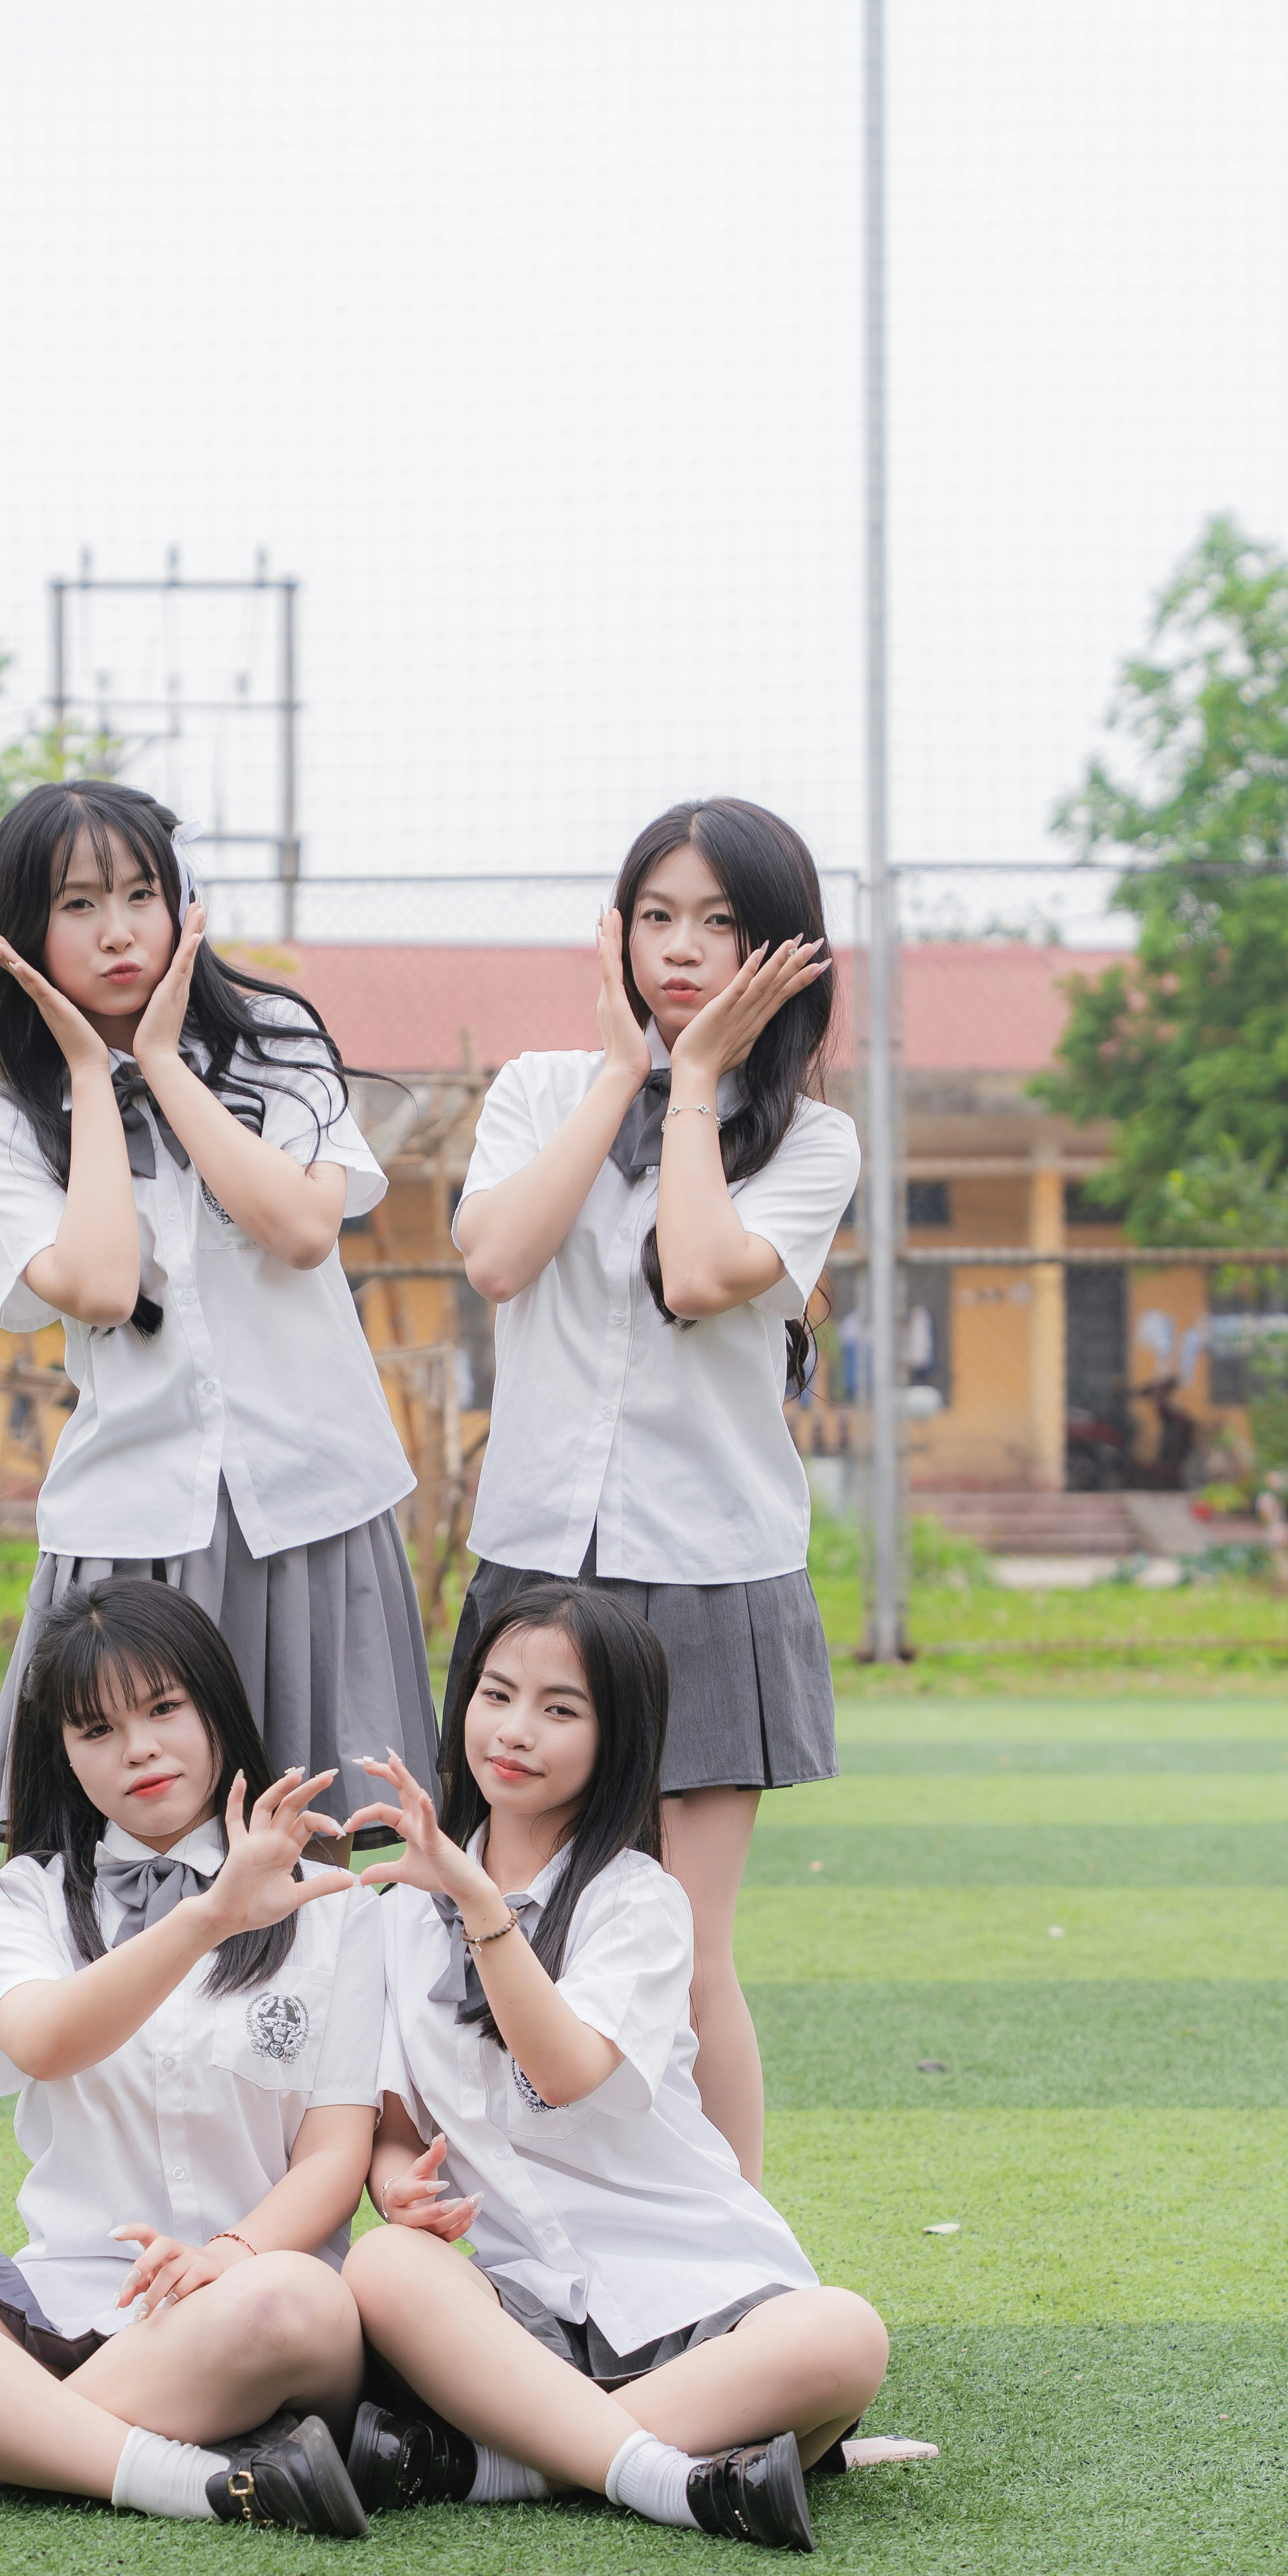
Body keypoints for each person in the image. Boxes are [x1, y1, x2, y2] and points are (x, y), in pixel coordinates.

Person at [0, 1580, 382, 2537]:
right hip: (58, 2300)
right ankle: (184, 2478)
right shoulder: (21, 1899)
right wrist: (210, 1916)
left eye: (163, 1709)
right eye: (95, 1729)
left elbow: (337, 2157)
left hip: (242, 2306)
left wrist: (226, 2257)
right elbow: (44, 2041)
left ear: (216, 1710)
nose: (136, 1748)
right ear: (60, 1754)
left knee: (299, 2301)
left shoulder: (337, 1907)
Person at [340, 1582, 933, 2552]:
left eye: (561, 1709)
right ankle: (672, 2470)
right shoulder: (396, 1911)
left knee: (842, 2337)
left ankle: (503, 2467)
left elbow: (567, 2069)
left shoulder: (641, 1904)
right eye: (496, 1694)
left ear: (617, 1740)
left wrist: (480, 1904)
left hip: (689, 2288)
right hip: (520, 2303)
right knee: (385, 2266)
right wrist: (396, 2189)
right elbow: (393, 2124)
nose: (516, 1730)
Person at [448, 796, 860, 2185]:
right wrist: (630, 1079)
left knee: (685, 1961)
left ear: (783, 953)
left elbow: (694, 1274)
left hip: (710, 1570)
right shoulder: (540, 1089)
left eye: (723, 924)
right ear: (614, 933)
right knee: (515, 1929)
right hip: (537, 1567)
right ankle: (524, 2244)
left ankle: (733, 2271)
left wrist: (694, 1088)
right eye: (657, 918)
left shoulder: (815, 1143)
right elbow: (497, 1259)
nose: (683, 950)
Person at [0, 779, 438, 1850]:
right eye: (77, 905)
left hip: (308, 1506)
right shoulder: (3, 1126)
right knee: (132, 1854)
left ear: (185, 902)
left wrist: (164, 1064)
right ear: (19, 931)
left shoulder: (275, 1043)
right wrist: (92, 1073)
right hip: (132, 1529)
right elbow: (92, 1284)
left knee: (323, 1849)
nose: (119, 930)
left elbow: (299, 1228)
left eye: (142, 894)